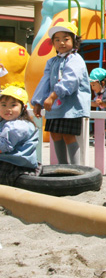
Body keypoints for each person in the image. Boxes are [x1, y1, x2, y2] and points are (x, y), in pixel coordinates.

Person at [31, 21, 90, 165]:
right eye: (57, 40)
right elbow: (45, 81)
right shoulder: (52, 61)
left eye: (66, 39)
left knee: (68, 135)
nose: (61, 42)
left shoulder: (75, 59)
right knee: (55, 134)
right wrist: (38, 101)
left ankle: (76, 168)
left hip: (71, 107)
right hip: (56, 107)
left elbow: (71, 80)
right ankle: (63, 165)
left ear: (74, 41)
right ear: (53, 43)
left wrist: (52, 96)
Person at [0, 86, 40, 186]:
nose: (7, 109)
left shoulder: (17, 126)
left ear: (24, 107)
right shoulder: (8, 122)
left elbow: (3, 147)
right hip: (15, 163)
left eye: (13, 105)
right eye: (3, 105)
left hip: (14, 166)